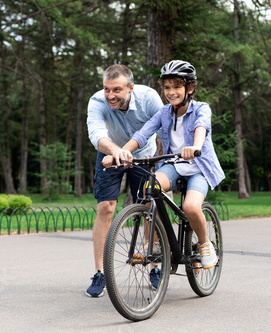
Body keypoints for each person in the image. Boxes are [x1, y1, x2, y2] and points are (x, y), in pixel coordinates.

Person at [107, 60, 225, 285]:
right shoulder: (164, 113)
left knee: (190, 207)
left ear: (190, 88)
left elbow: (201, 128)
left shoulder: (201, 108)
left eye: (177, 87)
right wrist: (121, 152)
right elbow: (142, 134)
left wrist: (196, 147)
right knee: (150, 187)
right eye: (167, 87)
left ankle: (203, 243)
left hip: (198, 168)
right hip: (174, 165)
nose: (171, 92)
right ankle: (157, 242)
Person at [86, 64, 164, 297]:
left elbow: (165, 127)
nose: (110, 95)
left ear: (130, 88)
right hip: (109, 154)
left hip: (143, 155)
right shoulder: (97, 101)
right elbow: (96, 133)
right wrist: (116, 151)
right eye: (107, 89)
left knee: (149, 208)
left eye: (117, 90)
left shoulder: (149, 98)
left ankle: (154, 266)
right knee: (105, 207)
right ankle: (100, 272)